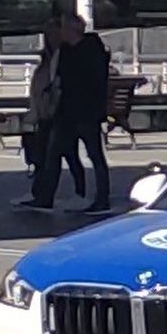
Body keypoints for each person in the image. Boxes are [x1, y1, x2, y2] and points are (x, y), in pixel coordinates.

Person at [24, 14, 112, 216]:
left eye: (63, 28)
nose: (60, 32)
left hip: (85, 113)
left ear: (72, 31)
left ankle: (101, 198)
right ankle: (48, 197)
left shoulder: (90, 52)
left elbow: (87, 84)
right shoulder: (67, 52)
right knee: (54, 155)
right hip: (67, 113)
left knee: (93, 155)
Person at [18, 18, 84, 207]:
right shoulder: (51, 58)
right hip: (48, 112)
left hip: (58, 112)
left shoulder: (62, 56)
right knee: (50, 155)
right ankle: (43, 194)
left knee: (57, 156)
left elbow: (56, 84)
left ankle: (48, 196)